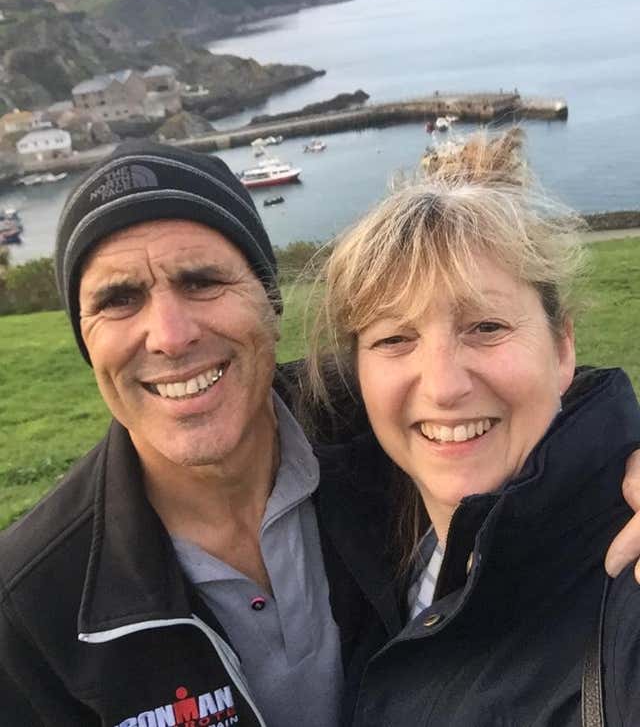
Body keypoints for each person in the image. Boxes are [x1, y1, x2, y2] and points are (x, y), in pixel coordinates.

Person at [0, 138, 637, 727]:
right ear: (86, 338)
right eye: (118, 299)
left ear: (268, 300)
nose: (170, 335)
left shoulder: (369, 430)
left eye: (202, 281)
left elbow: (540, 415)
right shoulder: (30, 605)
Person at [306, 128, 640, 726]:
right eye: (394, 338)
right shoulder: (356, 526)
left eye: (485, 327)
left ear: (562, 348)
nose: (443, 386)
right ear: (354, 373)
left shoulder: (629, 586)